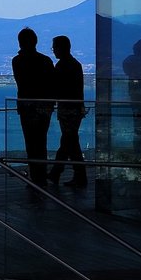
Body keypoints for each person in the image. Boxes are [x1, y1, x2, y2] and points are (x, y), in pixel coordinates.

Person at [12, 27, 55, 188]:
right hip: (44, 107)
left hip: (27, 107)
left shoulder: (17, 61)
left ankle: (35, 176)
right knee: (41, 141)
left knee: (30, 142)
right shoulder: (46, 60)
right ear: (35, 42)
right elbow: (52, 83)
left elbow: (21, 83)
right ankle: (41, 176)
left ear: (20, 42)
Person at [48, 35, 87, 188]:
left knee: (69, 141)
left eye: (54, 48)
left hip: (67, 109)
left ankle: (59, 172)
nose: (53, 51)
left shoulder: (61, 66)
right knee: (70, 140)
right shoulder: (75, 64)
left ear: (60, 48)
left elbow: (56, 88)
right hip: (75, 108)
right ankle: (68, 173)